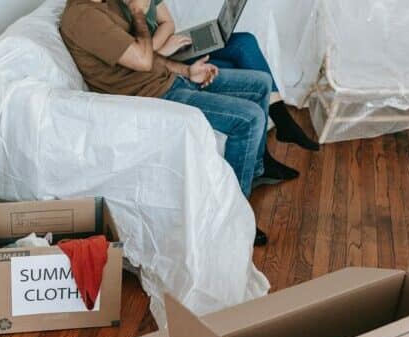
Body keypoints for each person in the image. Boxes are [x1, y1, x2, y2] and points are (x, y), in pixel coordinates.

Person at [60, 0, 295, 245]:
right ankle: (232, 219)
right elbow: (141, 59)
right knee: (249, 118)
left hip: (168, 79)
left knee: (260, 84)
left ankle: (254, 172)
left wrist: (186, 71)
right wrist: (138, 13)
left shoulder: (107, 5)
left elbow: (149, 55)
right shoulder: (83, 17)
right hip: (152, 95)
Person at [116, 0, 320, 151]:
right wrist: (160, 51)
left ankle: (281, 120)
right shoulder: (112, 9)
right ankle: (268, 148)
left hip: (169, 47)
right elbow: (136, 58)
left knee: (245, 42)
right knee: (235, 64)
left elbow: (168, 22)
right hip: (159, 61)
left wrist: (162, 44)